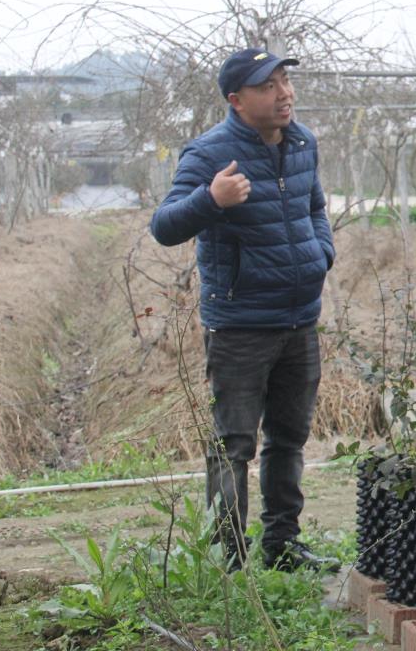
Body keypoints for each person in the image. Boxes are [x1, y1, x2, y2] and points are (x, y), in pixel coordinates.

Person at [150, 48, 337, 572]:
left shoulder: (301, 142)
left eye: (285, 81)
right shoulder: (210, 154)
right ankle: (227, 559)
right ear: (236, 100)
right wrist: (211, 199)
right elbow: (164, 227)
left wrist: (321, 253)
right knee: (234, 444)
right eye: (268, 85)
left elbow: (314, 206)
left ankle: (282, 545)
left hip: (299, 317)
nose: (284, 93)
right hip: (241, 324)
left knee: (289, 438)